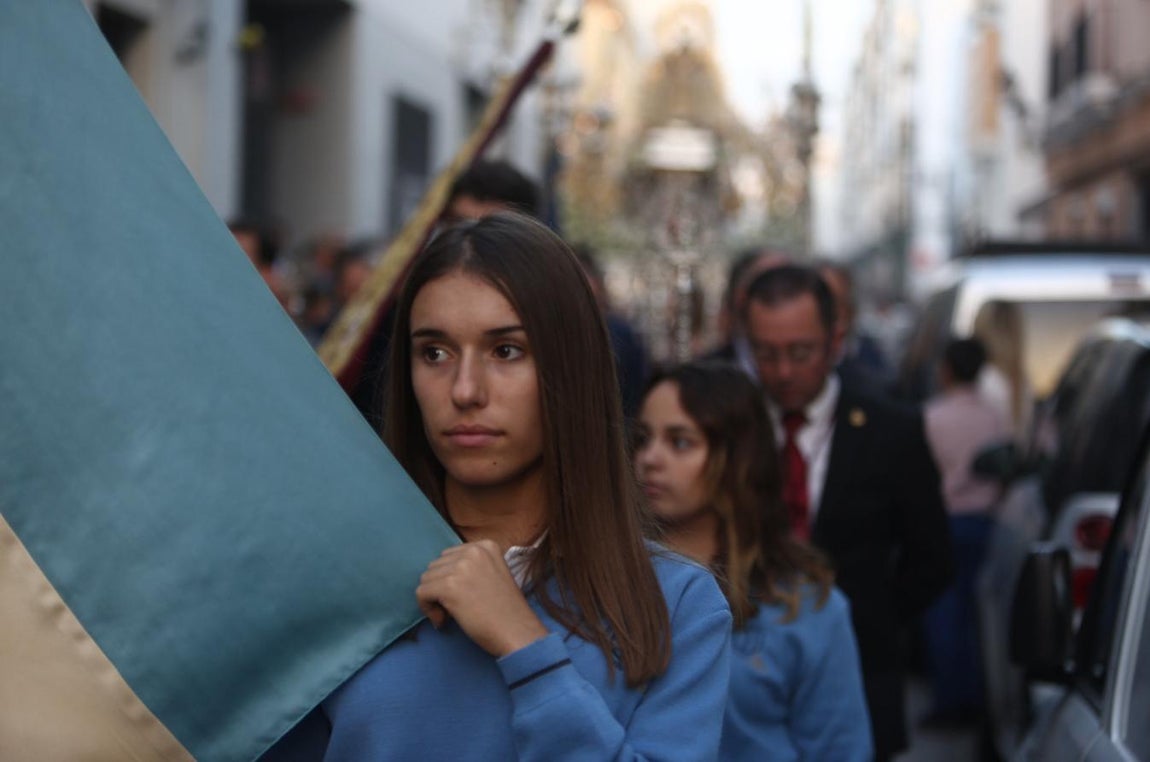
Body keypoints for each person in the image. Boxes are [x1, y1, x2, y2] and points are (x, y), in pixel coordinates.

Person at [263, 212, 732, 760]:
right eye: (434, 352)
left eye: (505, 350)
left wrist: (526, 646)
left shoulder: (677, 605)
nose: (464, 390)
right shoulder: (340, 579)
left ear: (568, 369)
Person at [743, 264, 953, 761]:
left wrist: (869, 619)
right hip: (748, 692)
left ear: (835, 340)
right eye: (766, 354)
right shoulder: (735, 428)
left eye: (801, 352)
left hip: (862, 679)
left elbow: (933, 558)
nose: (784, 372)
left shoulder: (890, 431)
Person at [634, 361, 873, 760]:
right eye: (643, 439)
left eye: (679, 442)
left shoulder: (806, 606)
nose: (649, 458)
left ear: (737, 458)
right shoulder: (607, 578)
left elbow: (841, 750)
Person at [921, 337, 1009, 727]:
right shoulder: (994, 416)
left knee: (944, 611)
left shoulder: (932, 416)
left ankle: (949, 699)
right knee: (977, 610)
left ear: (947, 369)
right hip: (986, 520)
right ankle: (976, 695)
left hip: (945, 520)